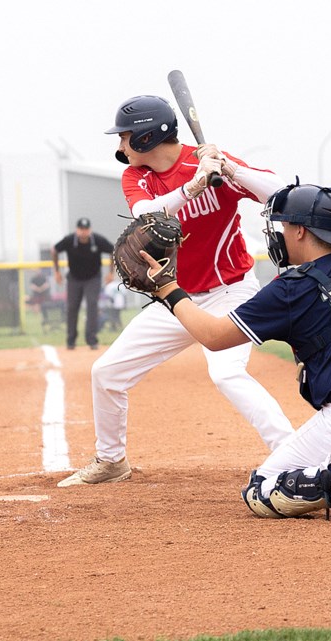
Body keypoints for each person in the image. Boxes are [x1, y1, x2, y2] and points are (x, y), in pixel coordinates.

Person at [139, 182, 331, 522]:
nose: (280, 233)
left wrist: (169, 290)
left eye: (284, 226)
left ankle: (330, 478)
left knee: (258, 489)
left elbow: (213, 336)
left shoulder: (290, 289)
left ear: (301, 231)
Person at [58, 94, 294, 487]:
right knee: (107, 372)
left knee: (226, 373)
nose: (120, 146)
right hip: (177, 297)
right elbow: (146, 215)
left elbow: (282, 193)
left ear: (148, 137)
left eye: (126, 137)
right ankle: (112, 461)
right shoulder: (137, 177)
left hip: (230, 292)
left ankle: (290, 454)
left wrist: (230, 169)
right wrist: (193, 187)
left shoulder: (210, 162)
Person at [51, 217, 114, 350]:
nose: (83, 232)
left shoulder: (97, 240)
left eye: (86, 229)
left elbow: (113, 250)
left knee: (92, 305)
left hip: (93, 278)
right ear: (77, 230)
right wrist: (57, 271)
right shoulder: (69, 240)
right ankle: (70, 341)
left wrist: (111, 273)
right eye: (81, 229)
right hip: (74, 278)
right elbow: (54, 250)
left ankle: (92, 340)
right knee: (72, 307)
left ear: (89, 230)